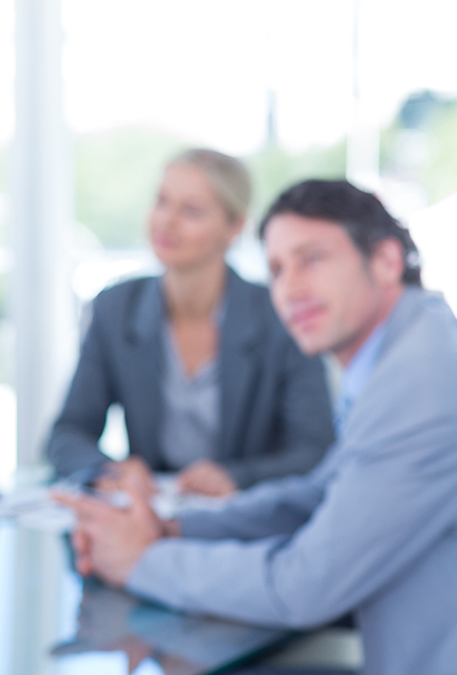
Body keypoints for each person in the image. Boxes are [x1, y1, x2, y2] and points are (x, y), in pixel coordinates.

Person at [58, 180, 457, 675]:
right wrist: (177, 528)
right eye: (276, 269)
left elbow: (306, 585)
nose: (290, 289)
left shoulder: (421, 381)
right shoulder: (405, 349)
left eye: (312, 259)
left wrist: (143, 561)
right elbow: (319, 494)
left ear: (386, 262)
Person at [47, 149, 333, 497]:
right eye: (162, 202)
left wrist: (238, 477)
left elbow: (314, 450)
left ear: (234, 227)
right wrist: (108, 471)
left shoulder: (279, 314)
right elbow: (68, 433)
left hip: (247, 521)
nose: (166, 221)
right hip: (152, 515)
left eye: (191, 211)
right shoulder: (115, 308)